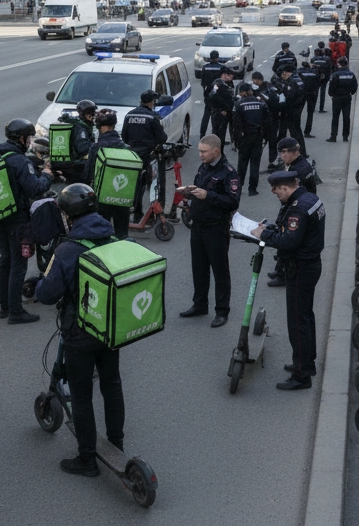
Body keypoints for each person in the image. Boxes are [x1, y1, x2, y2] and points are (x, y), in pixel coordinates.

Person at [34, 184, 126, 477]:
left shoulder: (68, 249)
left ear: (68, 216)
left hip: (80, 331)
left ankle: (87, 459)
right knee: (112, 385)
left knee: (82, 394)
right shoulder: (112, 236)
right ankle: (116, 443)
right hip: (110, 327)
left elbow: (47, 294)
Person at [250, 170, 326, 390]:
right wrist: (273, 229)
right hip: (310, 265)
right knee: (306, 317)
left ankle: (302, 375)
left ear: (286, 187)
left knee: (297, 322)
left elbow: (290, 241)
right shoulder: (309, 198)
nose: (276, 195)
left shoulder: (298, 209)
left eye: (277, 192)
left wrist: (263, 235)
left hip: (300, 268)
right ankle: (306, 362)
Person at [0, 119, 53, 324]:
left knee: (5, 261)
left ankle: (5, 307)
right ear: (21, 138)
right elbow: (35, 188)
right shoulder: (20, 161)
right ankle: (16, 312)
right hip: (18, 219)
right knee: (19, 264)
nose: (29, 141)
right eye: (28, 137)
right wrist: (47, 175)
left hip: (2, 217)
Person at [179, 134, 241, 327]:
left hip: (216, 228)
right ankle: (200, 304)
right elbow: (201, 188)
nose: (200, 155)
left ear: (216, 151)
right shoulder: (204, 166)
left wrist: (208, 195)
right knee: (199, 268)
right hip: (198, 225)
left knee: (220, 270)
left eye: (204, 151)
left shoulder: (229, 173)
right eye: (199, 150)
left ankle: (222, 311)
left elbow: (232, 202)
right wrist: (190, 192)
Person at [85, 108, 134, 238]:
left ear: (99, 126)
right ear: (114, 125)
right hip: (122, 199)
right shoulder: (126, 148)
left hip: (101, 200)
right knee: (122, 236)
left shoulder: (96, 148)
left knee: (100, 235)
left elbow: (87, 175)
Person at [122, 90, 168, 218]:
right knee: (155, 184)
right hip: (149, 156)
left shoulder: (129, 115)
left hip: (133, 156)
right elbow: (162, 138)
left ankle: (137, 211)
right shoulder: (152, 117)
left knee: (136, 185)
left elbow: (124, 137)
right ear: (151, 102)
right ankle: (155, 212)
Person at [232, 81, 272, 195]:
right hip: (257, 136)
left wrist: (237, 140)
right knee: (255, 163)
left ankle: (239, 188)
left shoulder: (239, 104)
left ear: (243, 92)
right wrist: (265, 137)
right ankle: (252, 189)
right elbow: (268, 121)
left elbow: (236, 124)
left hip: (244, 137)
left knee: (242, 163)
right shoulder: (261, 103)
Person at [56, 100, 97, 184]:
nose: (94, 116)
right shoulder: (80, 129)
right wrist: (96, 146)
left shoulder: (83, 126)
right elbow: (82, 148)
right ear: (86, 115)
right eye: (92, 114)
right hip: (76, 166)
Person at [276, 63, 308, 157]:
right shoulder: (298, 79)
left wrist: (283, 107)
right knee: (297, 131)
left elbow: (290, 97)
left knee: (295, 133)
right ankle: (303, 152)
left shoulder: (292, 82)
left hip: (292, 111)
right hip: (297, 110)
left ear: (285, 73)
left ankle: (300, 153)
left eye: (282, 75)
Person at [327, 57, 358, 142]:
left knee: (335, 117)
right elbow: (355, 86)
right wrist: (351, 92)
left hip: (337, 98)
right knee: (346, 117)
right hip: (347, 97)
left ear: (339, 64)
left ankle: (333, 136)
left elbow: (332, 86)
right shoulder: (351, 74)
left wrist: (331, 94)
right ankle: (345, 136)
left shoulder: (335, 74)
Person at [199, 51, 227, 138]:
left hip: (208, 94)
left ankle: (202, 135)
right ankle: (216, 136)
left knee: (206, 115)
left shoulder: (205, 67)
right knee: (216, 116)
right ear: (217, 57)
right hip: (218, 95)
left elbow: (202, 82)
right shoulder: (221, 67)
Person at [207, 72, 236, 143]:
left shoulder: (230, 83)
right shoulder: (218, 83)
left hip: (228, 109)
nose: (228, 77)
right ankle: (216, 143)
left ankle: (232, 141)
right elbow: (213, 96)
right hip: (218, 110)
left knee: (230, 126)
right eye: (225, 75)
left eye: (230, 76)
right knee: (218, 129)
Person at [297, 59, 321, 138]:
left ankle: (297, 130)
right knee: (310, 114)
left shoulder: (299, 72)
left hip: (302, 94)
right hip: (312, 94)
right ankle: (307, 132)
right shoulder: (315, 72)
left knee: (299, 112)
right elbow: (318, 82)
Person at [312, 43, 332, 114]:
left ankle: (312, 107)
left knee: (315, 93)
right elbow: (330, 68)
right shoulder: (327, 59)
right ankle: (321, 108)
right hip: (324, 77)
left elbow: (311, 68)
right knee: (322, 93)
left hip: (315, 78)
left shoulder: (313, 59)